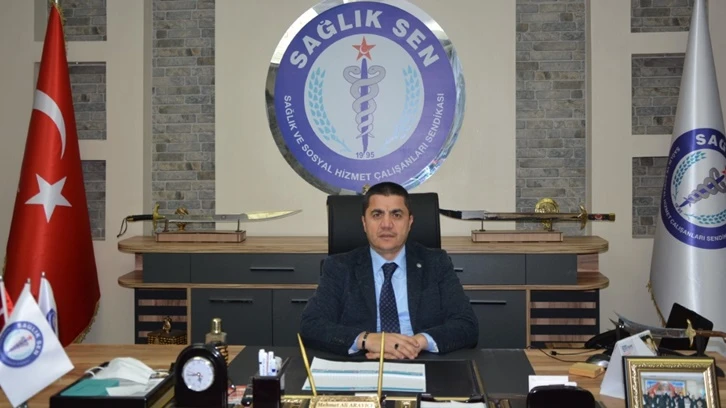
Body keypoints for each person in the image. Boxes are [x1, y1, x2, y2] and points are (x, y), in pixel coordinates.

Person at [300, 182, 478, 359]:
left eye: (396, 215)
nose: (386, 224)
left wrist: (416, 343)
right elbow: (311, 325)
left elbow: (466, 325)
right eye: (377, 215)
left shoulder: (436, 263)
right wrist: (367, 339)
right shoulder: (340, 267)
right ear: (364, 223)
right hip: (363, 361)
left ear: (410, 222)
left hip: (421, 359)